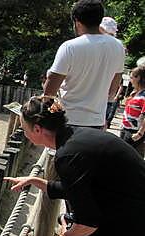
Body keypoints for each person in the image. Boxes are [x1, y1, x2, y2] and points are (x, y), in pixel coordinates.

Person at [4, 96, 145, 236]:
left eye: (24, 128)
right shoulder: (74, 137)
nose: (24, 133)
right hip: (124, 208)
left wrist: (65, 234)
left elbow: (88, 223)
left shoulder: (67, 155)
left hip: (132, 222)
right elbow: (78, 187)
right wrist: (35, 181)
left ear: (38, 129)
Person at [43, 0, 125, 128]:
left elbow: (50, 88)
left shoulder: (70, 47)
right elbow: (114, 86)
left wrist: (48, 108)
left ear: (77, 21)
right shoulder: (118, 47)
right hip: (97, 121)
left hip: (68, 120)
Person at [99, 17, 124, 128]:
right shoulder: (119, 47)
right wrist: (110, 98)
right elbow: (117, 77)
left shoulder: (96, 43)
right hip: (106, 97)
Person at [120, 66, 145, 157]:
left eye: (131, 77)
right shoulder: (135, 93)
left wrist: (140, 133)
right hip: (125, 130)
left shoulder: (143, 95)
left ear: (138, 78)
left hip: (134, 133)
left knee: (132, 159)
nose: (130, 80)